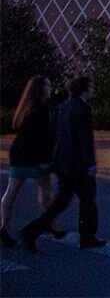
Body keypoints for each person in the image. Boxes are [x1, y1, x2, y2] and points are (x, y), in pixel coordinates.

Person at [22, 76, 105, 252]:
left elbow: (54, 135)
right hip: (79, 165)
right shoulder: (83, 109)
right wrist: (91, 165)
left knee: (61, 201)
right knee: (88, 200)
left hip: (63, 164)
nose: (92, 90)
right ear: (84, 89)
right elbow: (85, 140)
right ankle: (87, 236)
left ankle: (33, 230)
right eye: (90, 87)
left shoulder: (62, 108)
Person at [1, 76, 65, 247]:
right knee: (46, 192)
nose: (51, 89)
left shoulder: (25, 107)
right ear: (41, 89)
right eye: (48, 85)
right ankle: (52, 226)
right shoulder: (42, 109)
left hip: (19, 155)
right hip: (34, 158)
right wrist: (46, 159)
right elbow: (43, 138)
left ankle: (4, 227)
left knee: (12, 192)